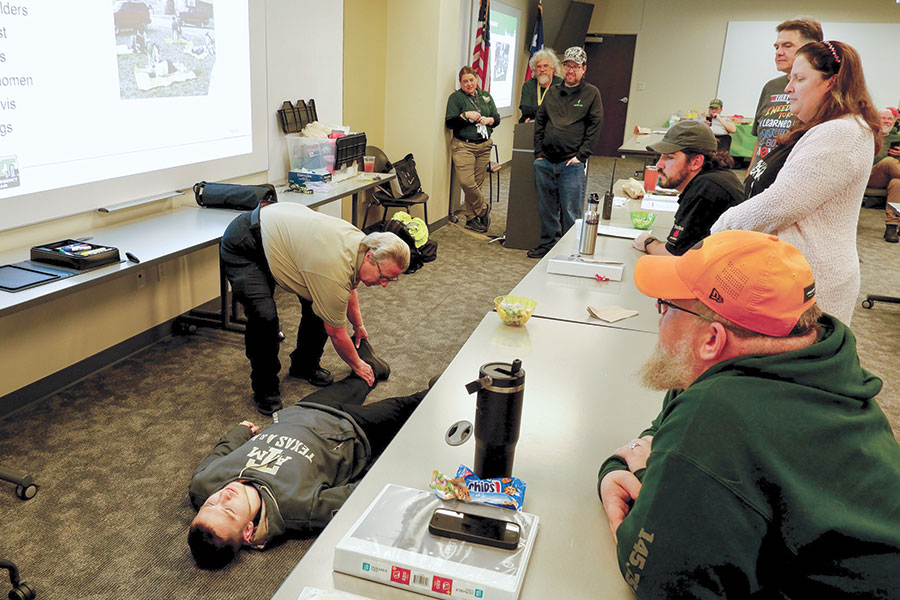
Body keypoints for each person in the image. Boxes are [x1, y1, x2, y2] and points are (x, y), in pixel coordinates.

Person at [598, 230, 900, 598]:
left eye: (666, 305)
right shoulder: (818, 362)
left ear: (712, 339)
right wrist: (637, 458)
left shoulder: (718, 413)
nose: (658, 316)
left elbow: (659, 578)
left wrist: (633, 471)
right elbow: (666, 429)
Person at [712, 41, 881, 325]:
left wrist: (718, 231)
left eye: (799, 79)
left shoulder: (840, 133)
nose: (788, 88)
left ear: (832, 83)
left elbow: (780, 203)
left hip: (813, 280)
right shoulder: (835, 128)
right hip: (801, 273)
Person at [188, 370, 429, 569]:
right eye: (229, 510)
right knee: (410, 405)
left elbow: (219, 453)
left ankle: (368, 360)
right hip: (352, 429)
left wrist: (239, 431)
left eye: (210, 504)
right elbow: (361, 494)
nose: (224, 496)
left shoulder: (203, 484)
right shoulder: (299, 509)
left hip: (302, 411)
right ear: (249, 531)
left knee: (361, 378)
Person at [220, 202, 409, 415]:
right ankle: (264, 387)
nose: (384, 284)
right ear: (369, 257)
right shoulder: (334, 267)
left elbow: (348, 290)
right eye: (384, 277)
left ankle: (304, 365)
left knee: (322, 305)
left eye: (390, 281)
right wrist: (358, 365)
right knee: (264, 317)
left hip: (281, 238)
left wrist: (358, 325)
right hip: (245, 243)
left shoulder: (362, 245)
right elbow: (337, 334)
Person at [528, 46, 604, 259]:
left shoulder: (591, 93)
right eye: (567, 66)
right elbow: (540, 122)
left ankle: (570, 249)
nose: (571, 70)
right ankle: (548, 245)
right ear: (562, 68)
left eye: (576, 67)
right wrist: (538, 154)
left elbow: (595, 126)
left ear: (584, 69)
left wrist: (581, 156)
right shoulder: (552, 91)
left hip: (571, 163)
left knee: (571, 211)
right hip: (545, 162)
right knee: (547, 209)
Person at [632, 121, 743, 256]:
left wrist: (647, 242)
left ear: (695, 162)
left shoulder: (706, 190)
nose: (659, 164)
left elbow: (673, 255)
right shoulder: (715, 178)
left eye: (669, 157)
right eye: (660, 156)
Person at [748, 18, 823, 175]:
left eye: (788, 46)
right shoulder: (771, 87)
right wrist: (748, 177)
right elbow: (760, 140)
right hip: (759, 179)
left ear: (812, 49)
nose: (779, 52)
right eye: (777, 47)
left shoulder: (822, 90)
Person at [445, 66, 501, 233]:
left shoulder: (485, 96)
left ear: (476, 79)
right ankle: (483, 209)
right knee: (467, 183)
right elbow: (450, 123)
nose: (469, 84)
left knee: (477, 183)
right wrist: (465, 116)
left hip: (484, 145)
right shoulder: (456, 98)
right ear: (460, 83)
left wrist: (489, 120)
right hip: (464, 146)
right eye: (464, 81)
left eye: (471, 80)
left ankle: (471, 219)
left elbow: (496, 119)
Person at [868, 107, 900, 242]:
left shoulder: (898, 138)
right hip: (871, 175)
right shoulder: (868, 134)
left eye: (890, 119)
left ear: (894, 121)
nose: (887, 121)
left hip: (893, 177)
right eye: (884, 118)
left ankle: (891, 227)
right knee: (888, 161)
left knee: (897, 183)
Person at [518, 48, 563, 123]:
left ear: (553, 68)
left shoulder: (560, 84)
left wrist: (534, 110)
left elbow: (559, 111)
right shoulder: (528, 85)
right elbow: (525, 110)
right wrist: (547, 109)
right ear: (534, 69)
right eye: (539, 66)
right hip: (531, 123)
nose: (542, 70)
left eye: (545, 66)